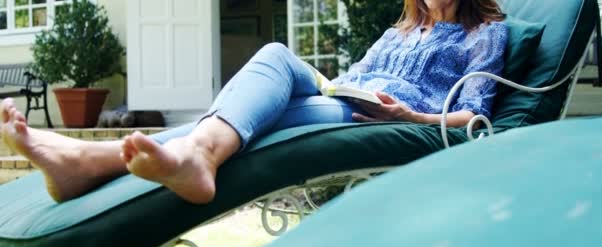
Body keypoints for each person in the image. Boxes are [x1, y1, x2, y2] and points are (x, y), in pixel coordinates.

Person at [0, 0, 508, 204]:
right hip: (344, 98)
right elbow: (354, 75)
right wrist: (334, 83)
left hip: (381, 117)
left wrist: (410, 115)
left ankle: (89, 161)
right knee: (274, 59)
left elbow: (476, 111)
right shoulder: (398, 30)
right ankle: (188, 156)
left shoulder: (484, 32)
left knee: (266, 114)